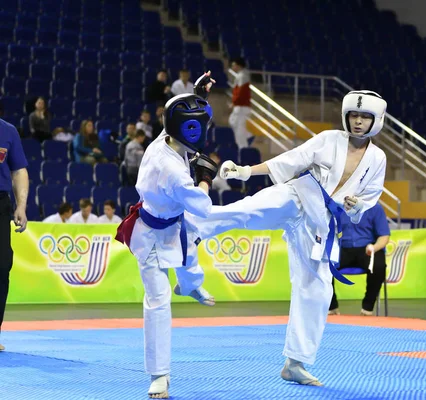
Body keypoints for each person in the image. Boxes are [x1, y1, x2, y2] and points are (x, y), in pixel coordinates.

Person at [195, 90, 387, 386]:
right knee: (247, 209)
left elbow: (369, 199)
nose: (358, 122)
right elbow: (292, 160)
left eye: (365, 117)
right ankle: (190, 226)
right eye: (354, 115)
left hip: (320, 222)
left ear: (377, 121)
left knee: (319, 289)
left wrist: (357, 206)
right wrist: (246, 171)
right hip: (299, 195)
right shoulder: (329, 139)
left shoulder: (377, 158)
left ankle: (295, 363)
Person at [115, 72, 219, 399]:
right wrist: (205, 178)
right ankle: (159, 374)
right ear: (189, 130)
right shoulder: (172, 170)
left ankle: (191, 285)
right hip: (150, 233)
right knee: (158, 300)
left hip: (174, 221)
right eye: (199, 125)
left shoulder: (165, 137)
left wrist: (197, 93)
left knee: (191, 257)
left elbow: (175, 116)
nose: (202, 131)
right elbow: (201, 204)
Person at [328, 202, 390, 316]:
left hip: (366, 248)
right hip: (342, 248)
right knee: (324, 265)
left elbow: (384, 235)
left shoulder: (375, 207)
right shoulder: (335, 206)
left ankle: (367, 308)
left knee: (379, 266)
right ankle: (332, 307)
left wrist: (374, 247)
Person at [0, 118, 29, 352]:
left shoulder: (8, 131)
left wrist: (21, 206)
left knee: (2, 265)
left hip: (0, 203)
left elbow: (18, 170)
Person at [228, 57, 254, 150]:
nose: (232, 67)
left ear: (238, 65)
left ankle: (243, 147)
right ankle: (248, 135)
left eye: (233, 65)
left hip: (242, 106)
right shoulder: (241, 75)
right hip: (241, 105)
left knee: (240, 129)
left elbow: (240, 92)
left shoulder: (242, 76)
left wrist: (234, 102)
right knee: (232, 121)